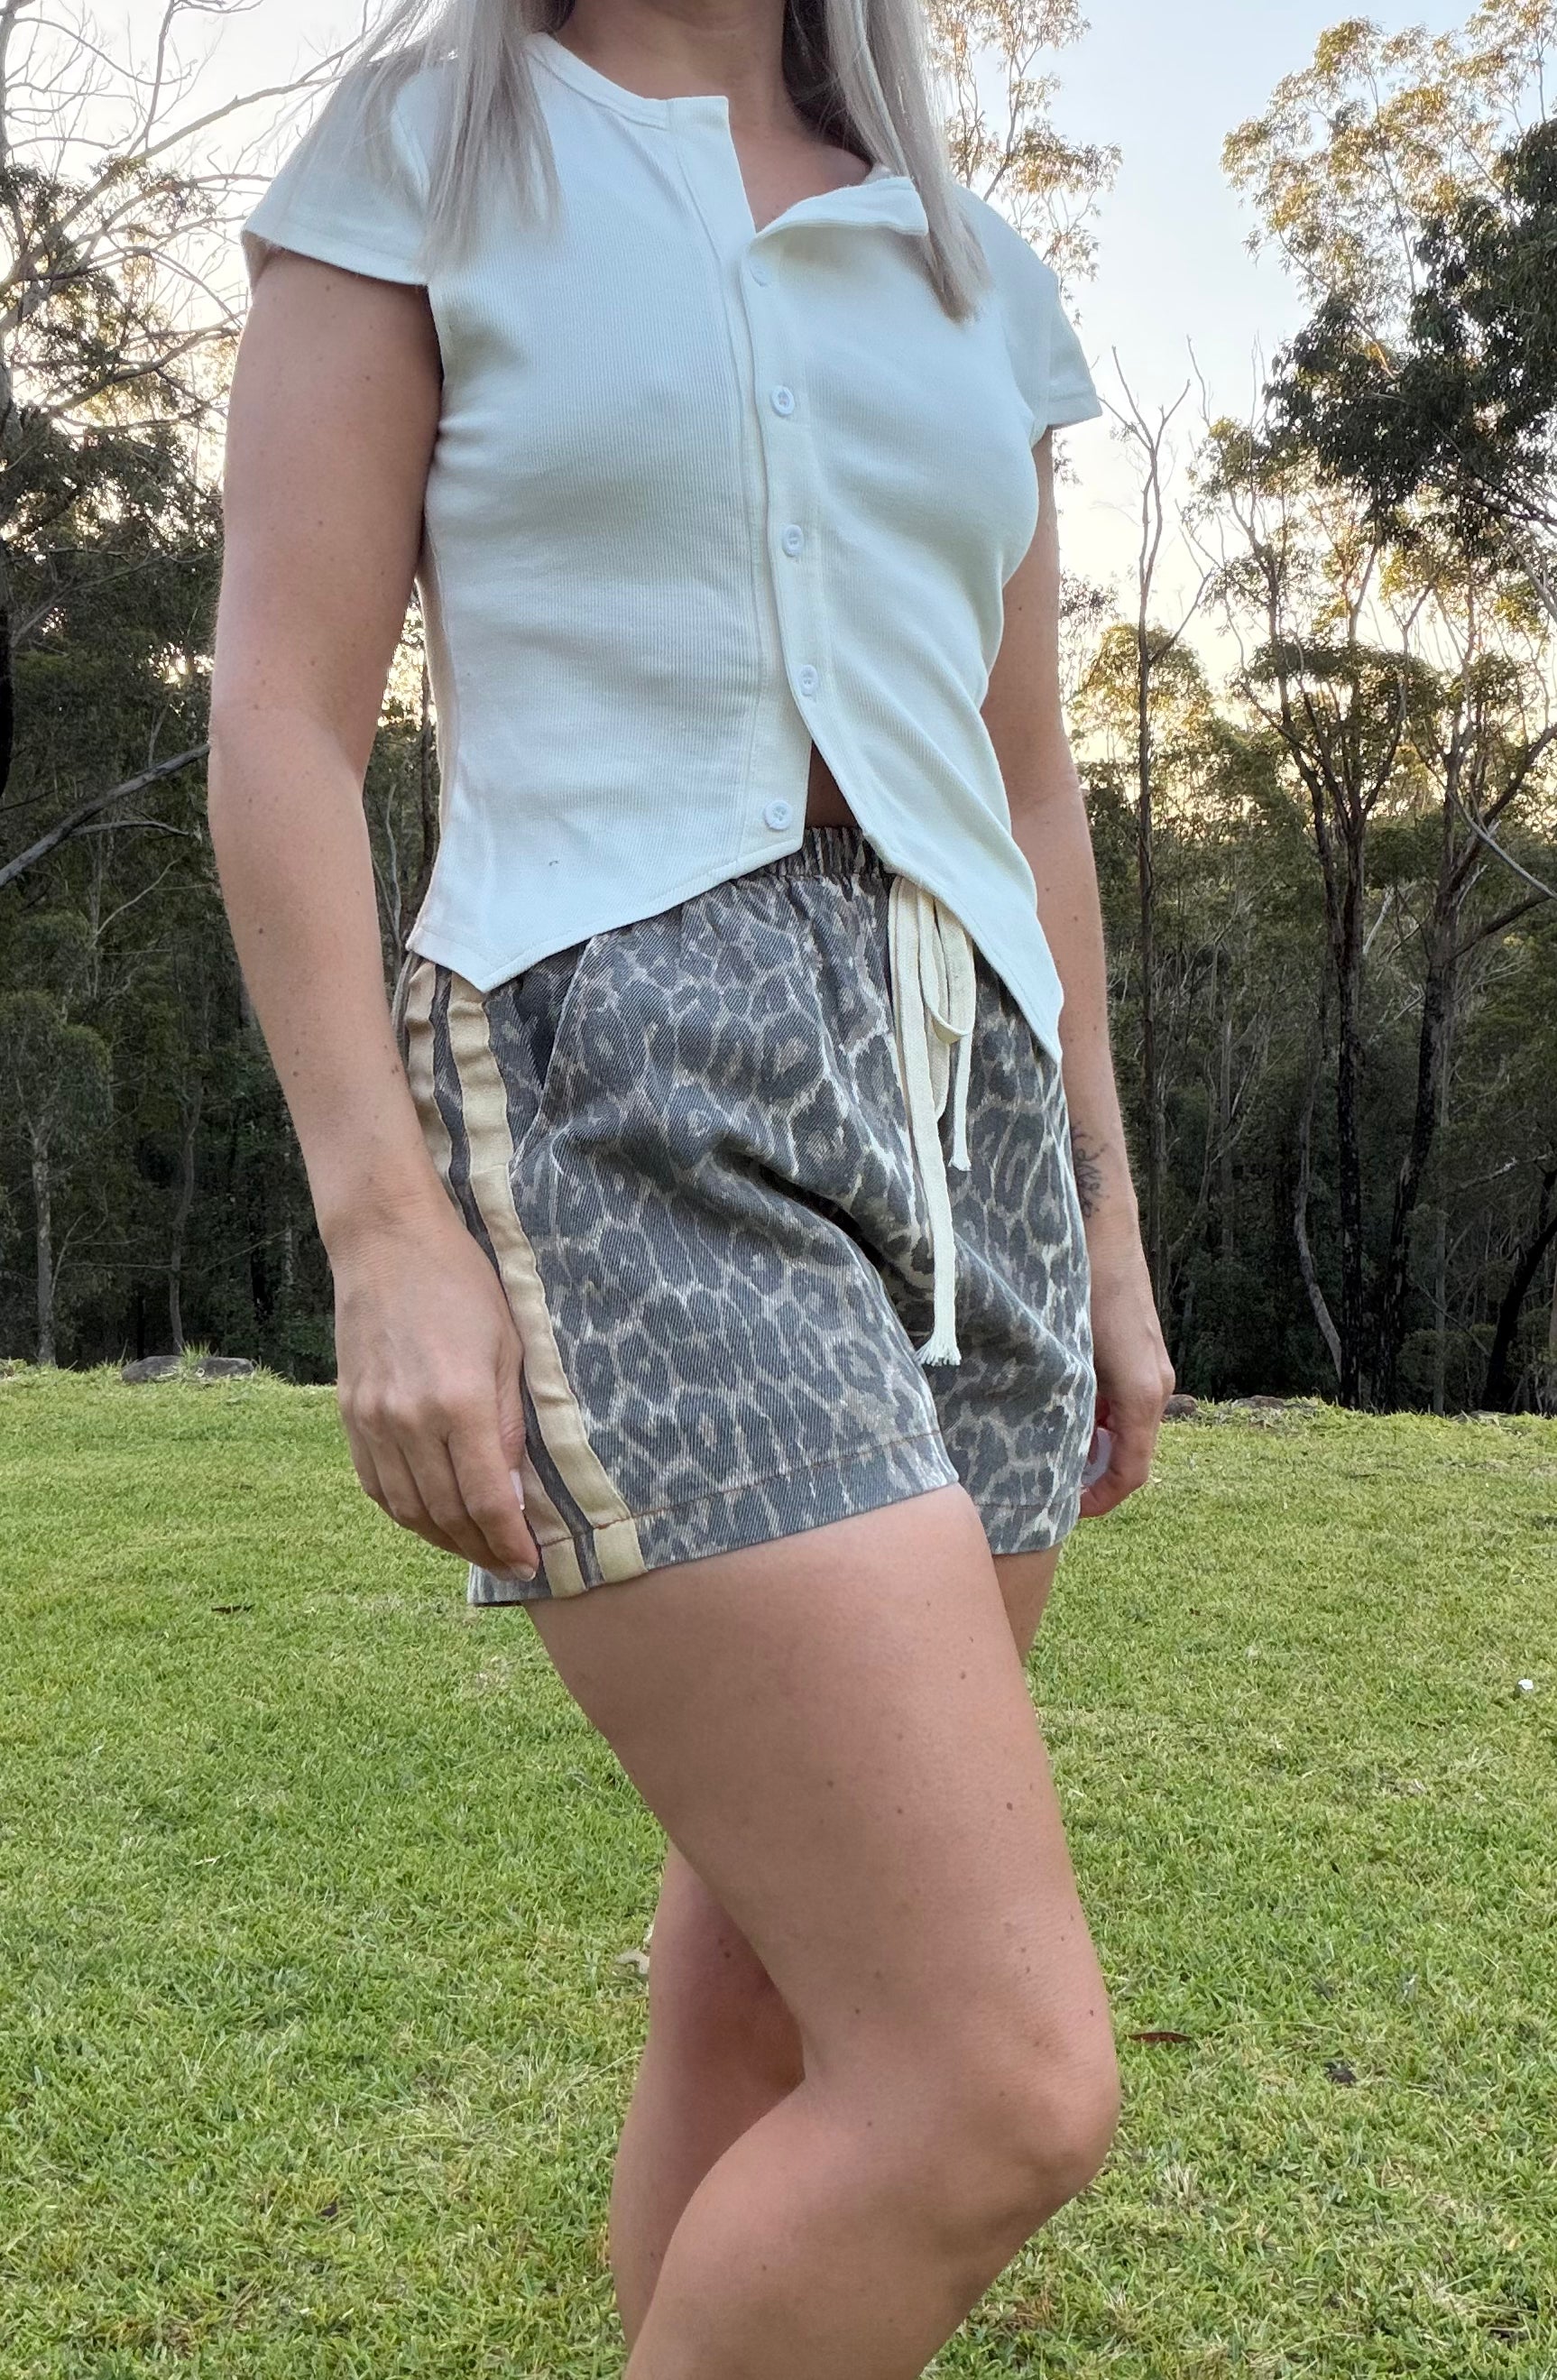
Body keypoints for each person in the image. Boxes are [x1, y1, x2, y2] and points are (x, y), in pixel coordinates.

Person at [210, 0, 1175, 2370]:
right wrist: (383, 1220)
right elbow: (283, 710)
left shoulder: (967, 259)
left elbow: (1029, 785)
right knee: (993, 2079)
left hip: (972, 1108)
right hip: (617, 1063)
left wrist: (1109, 1225)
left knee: (768, 1988)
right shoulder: (428, 144)